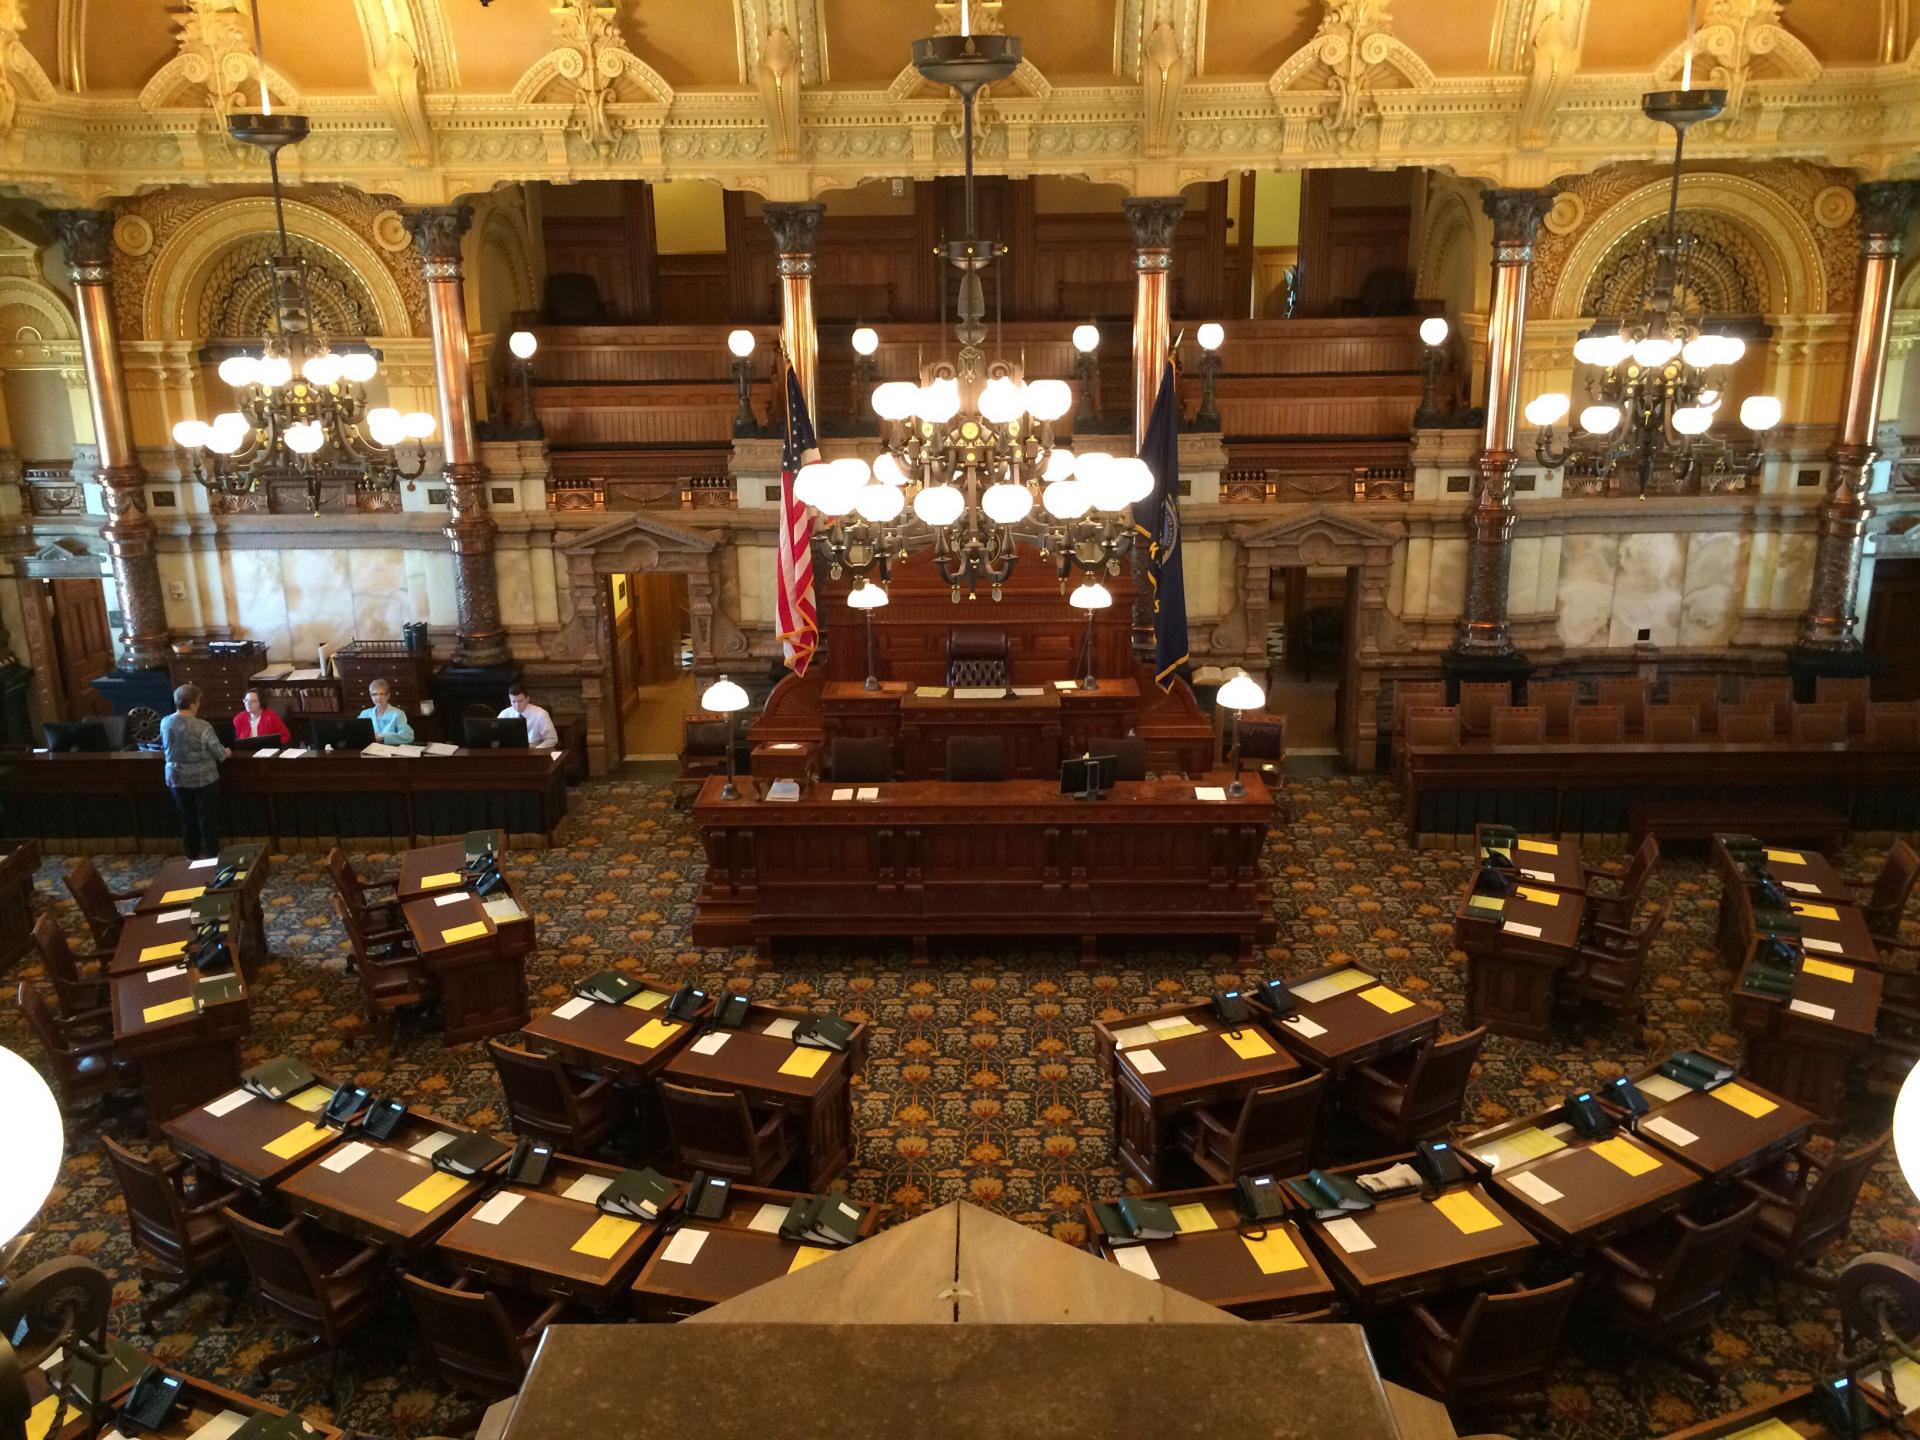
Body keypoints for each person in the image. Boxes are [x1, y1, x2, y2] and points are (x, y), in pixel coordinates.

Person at [161, 684, 229, 859]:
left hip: (176, 778)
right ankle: (212, 856)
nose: (199, 705)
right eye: (198, 702)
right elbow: (219, 754)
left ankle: (191, 855)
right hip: (203, 778)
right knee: (207, 820)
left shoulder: (165, 722)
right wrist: (227, 751)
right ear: (191, 704)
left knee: (187, 819)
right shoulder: (202, 726)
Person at [500, 682, 559, 752]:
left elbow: (552, 739)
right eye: (514, 702)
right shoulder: (504, 714)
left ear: (527, 699)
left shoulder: (541, 714)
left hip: (535, 749)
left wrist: (536, 750)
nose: (517, 705)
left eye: (520, 701)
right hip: (511, 751)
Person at [359, 678, 415, 744]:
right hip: (369, 749)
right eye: (374, 694)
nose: (378, 697)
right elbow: (356, 732)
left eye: (381, 694)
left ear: (388, 696)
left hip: (390, 750)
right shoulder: (364, 714)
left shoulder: (398, 714)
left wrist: (383, 737)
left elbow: (408, 736)